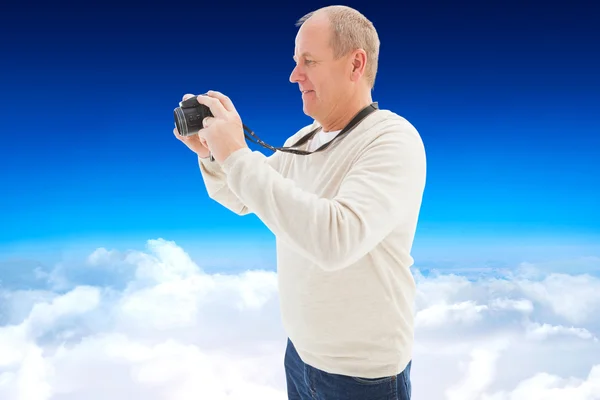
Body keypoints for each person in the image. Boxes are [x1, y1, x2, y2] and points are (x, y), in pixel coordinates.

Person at [173, 5, 426, 399]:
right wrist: (211, 154)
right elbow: (245, 198)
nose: (294, 75)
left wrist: (237, 154)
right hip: (301, 358)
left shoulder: (392, 139)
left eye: (309, 61)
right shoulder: (302, 141)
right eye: (296, 62)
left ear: (355, 64)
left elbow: (334, 241)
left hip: (363, 379)